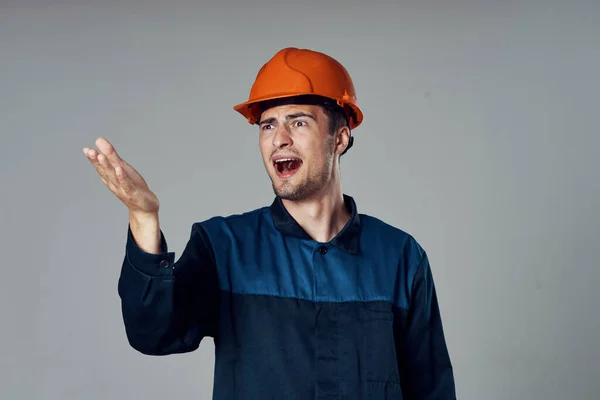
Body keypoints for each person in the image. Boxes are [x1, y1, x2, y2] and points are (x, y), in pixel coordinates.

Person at [83, 47, 456, 399]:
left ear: (340, 138)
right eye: (267, 125)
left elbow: (431, 389)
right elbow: (153, 333)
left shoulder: (400, 257)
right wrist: (144, 218)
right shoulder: (224, 247)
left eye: (298, 121)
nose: (279, 138)